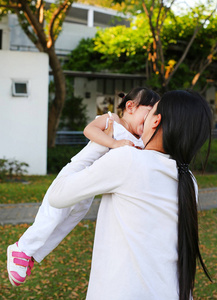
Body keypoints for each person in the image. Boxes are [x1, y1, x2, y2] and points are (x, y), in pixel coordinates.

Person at [48, 90, 212, 300]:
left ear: (156, 121)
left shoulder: (129, 160)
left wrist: (95, 147)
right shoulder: (189, 180)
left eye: (150, 113)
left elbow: (57, 195)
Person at [7, 87, 160, 287]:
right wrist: (114, 143)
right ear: (130, 107)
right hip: (76, 173)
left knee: (68, 221)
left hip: (90, 187)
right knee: (53, 214)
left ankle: (34, 254)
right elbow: (89, 130)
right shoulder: (113, 120)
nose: (149, 121)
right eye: (148, 114)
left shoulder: (139, 140)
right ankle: (21, 248)